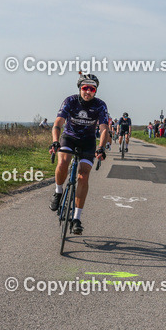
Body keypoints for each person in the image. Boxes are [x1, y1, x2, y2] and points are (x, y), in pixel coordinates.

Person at [49, 73, 109, 235]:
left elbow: (104, 129)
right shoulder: (70, 101)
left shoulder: (100, 105)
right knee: (63, 162)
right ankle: (58, 191)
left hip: (88, 141)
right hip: (69, 137)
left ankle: (76, 218)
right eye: (85, 88)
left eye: (92, 89)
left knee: (83, 176)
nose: (88, 91)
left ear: (95, 91)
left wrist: (101, 147)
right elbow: (58, 123)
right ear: (80, 89)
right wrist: (55, 141)